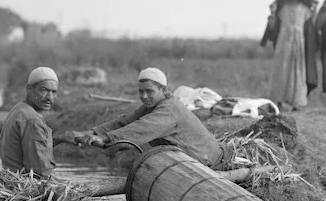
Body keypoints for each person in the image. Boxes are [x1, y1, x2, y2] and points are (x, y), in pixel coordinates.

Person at [58, 68, 231, 170]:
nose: (144, 96)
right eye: (141, 91)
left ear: (163, 90)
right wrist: (91, 132)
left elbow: (141, 128)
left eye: (149, 91)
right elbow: (126, 122)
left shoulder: (169, 109)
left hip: (209, 164)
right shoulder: (153, 106)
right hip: (190, 161)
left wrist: (105, 138)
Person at [261, 0, 319, 112]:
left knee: (297, 71)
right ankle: (279, 101)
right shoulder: (283, 9)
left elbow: (312, 26)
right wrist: (272, 12)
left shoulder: (305, 10)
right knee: (282, 69)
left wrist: (315, 10)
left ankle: (296, 102)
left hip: (298, 44)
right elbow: (274, 25)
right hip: (284, 43)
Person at [0, 66, 58, 178]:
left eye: (54, 92)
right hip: (25, 186)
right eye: (44, 90)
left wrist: (62, 139)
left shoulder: (20, 108)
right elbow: (41, 171)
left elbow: (34, 144)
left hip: (12, 179)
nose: (50, 97)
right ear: (29, 90)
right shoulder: (32, 120)